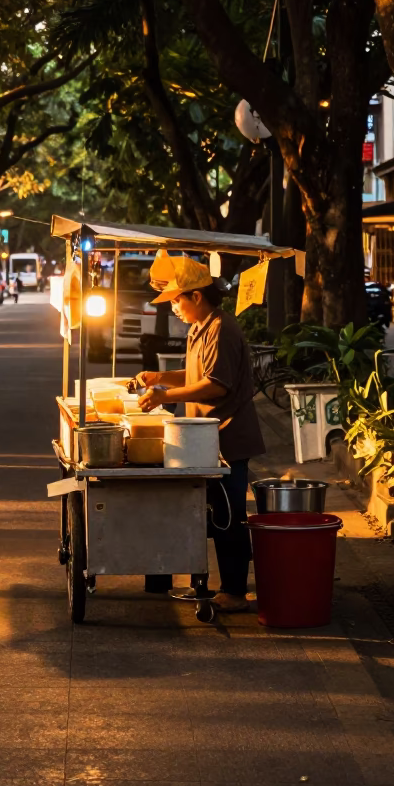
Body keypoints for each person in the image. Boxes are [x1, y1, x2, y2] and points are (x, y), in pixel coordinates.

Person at [136, 254, 265, 613]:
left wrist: (165, 395)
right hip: (204, 438)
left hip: (228, 437)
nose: (174, 307)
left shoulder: (222, 328)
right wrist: (159, 378)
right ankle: (210, 581)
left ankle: (235, 591)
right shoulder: (200, 328)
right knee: (211, 512)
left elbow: (215, 386)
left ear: (196, 295)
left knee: (228, 515)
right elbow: (194, 375)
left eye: (177, 300)